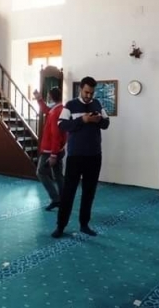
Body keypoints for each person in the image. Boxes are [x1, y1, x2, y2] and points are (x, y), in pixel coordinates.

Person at [52, 76, 110, 238]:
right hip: (75, 156)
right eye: (86, 92)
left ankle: (84, 224)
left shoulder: (97, 104)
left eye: (91, 93)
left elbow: (106, 123)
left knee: (89, 192)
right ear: (80, 89)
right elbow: (61, 125)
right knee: (68, 192)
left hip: (94, 156)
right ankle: (60, 226)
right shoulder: (70, 105)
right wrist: (83, 120)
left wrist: (97, 120)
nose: (89, 96)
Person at [32, 87, 67, 211]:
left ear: (51, 97)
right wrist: (39, 99)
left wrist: (53, 155)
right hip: (59, 149)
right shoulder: (60, 109)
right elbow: (46, 110)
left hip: (50, 151)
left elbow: (56, 135)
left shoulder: (55, 113)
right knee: (58, 175)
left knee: (41, 172)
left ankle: (56, 199)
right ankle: (64, 200)